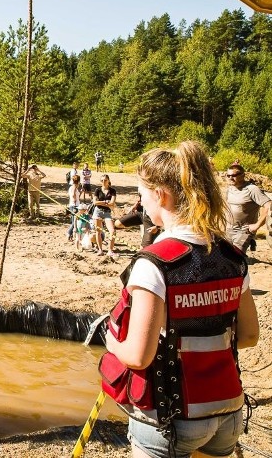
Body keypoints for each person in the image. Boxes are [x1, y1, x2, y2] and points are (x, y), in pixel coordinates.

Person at [101, 141, 259, 458]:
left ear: (161, 194)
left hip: (171, 418)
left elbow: (138, 357)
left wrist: (111, 341)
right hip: (227, 411)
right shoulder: (231, 257)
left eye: (142, 194)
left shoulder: (154, 263)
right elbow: (249, 336)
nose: (141, 204)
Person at [224, 162, 270, 253]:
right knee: (226, 256)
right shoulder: (230, 189)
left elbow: (269, 206)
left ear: (242, 175)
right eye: (228, 175)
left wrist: (257, 225)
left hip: (244, 230)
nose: (230, 178)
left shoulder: (252, 189)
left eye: (233, 175)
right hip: (229, 229)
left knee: (236, 256)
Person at [93, 173, 117, 258]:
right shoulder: (97, 190)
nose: (103, 182)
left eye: (105, 180)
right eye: (102, 180)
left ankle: (110, 250)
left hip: (107, 213)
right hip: (98, 211)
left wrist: (103, 203)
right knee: (98, 231)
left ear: (108, 181)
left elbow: (112, 203)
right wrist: (106, 202)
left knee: (112, 231)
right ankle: (100, 249)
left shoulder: (112, 190)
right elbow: (95, 202)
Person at [67, 174, 82, 242]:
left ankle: (70, 235)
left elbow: (76, 195)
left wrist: (80, 192)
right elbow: (73, 195)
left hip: (73, 205)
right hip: (74, 205)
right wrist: (75, 199)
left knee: (74, 221)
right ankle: (69, 233)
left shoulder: (72, 187)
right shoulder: (74, 187)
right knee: (74, 222)